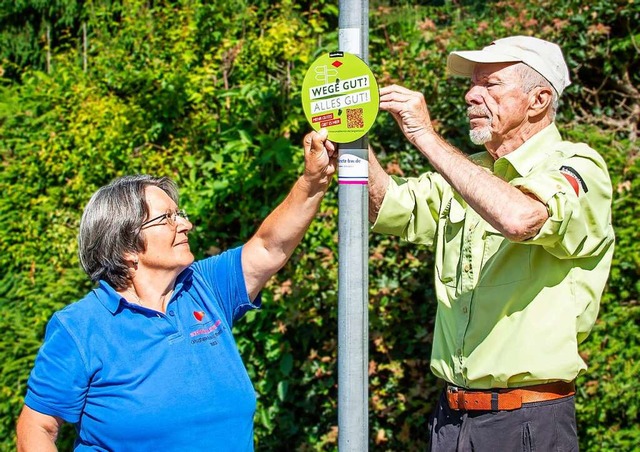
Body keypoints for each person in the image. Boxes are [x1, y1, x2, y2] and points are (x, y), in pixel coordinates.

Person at [16, 129, 337, 451]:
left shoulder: (204, 287)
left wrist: (312, 180)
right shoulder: (81, 327)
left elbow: (269, 247)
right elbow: (37, 426)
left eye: (178, 214)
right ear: (126, 245)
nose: (185, 224)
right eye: (166, 218)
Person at [368, 36, 614, 450]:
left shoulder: (578, 165)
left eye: (490, 85)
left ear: (537, 100)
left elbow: (521, 218)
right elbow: (388, 208)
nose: (471, 95)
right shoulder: (471, 170)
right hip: (451, 418)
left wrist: (424, 136)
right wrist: (351, 140)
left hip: (527, 421)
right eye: (472, 85)